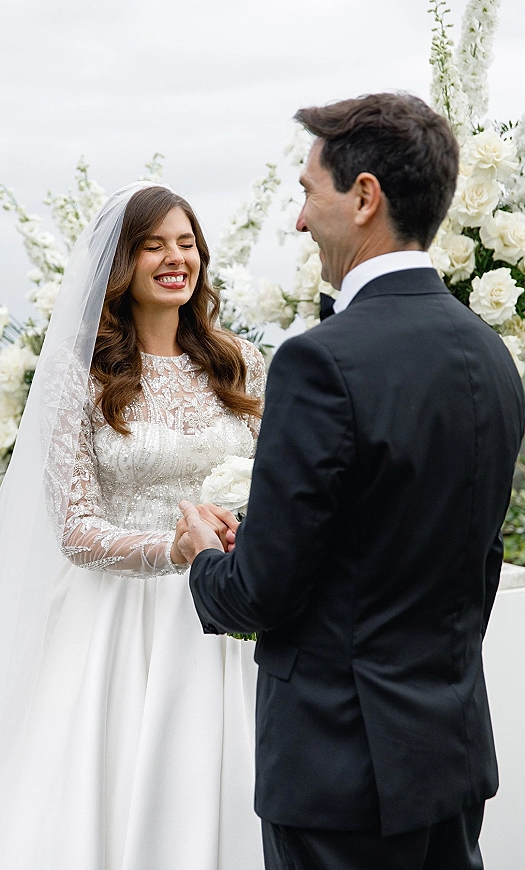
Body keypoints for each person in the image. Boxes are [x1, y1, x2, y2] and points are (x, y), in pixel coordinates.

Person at [178, 93, 525, 870]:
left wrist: (207, 557)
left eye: (308, 192)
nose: (299, 220)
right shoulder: (490, 355)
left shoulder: (321, 360)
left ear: (364, 196)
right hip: (449, 758)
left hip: (339, 768)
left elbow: (260, 594)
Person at [0, 182, 265, 869]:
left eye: (186, 244)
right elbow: (77, 529)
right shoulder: (77, 375)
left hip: (233, 605)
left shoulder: (240, 361)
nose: (174, 258)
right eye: (153, 246)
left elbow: (280, 480)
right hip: (118, 621)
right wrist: (172, 547)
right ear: (122, 265)